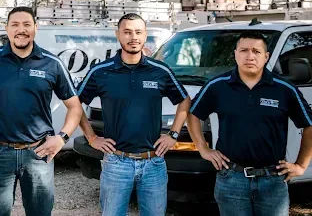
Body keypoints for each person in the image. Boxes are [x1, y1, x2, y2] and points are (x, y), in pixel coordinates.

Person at [0, 6, 82, 216]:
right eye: (15, 25)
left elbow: (75, 107)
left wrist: (62, 138)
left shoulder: (52, 63)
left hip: (39, 153)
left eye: (27, 24)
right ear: (7, 29)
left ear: (36, 28)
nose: (21, 29)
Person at [187, 31, 312, 216]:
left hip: (273, 181)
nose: (250, 56)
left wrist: (301, 165)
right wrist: (203, 149)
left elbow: (308, 124)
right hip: (231, 179)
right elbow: (192, 114)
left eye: (256, 51)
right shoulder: (218, 86)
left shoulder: (284, 89)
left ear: (266, 56)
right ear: (235, 53)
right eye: (244, 50)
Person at [78, 13, 191, 216]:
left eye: (138, 32)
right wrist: (92, 138)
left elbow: (184, 100)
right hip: (116, 163)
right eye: (127, 32)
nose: (133, 37)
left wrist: (173, 134)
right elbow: (75, 103)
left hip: (154, 163)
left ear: (145, 35)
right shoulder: (101, 71)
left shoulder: (160, 71)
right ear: (118, 35)